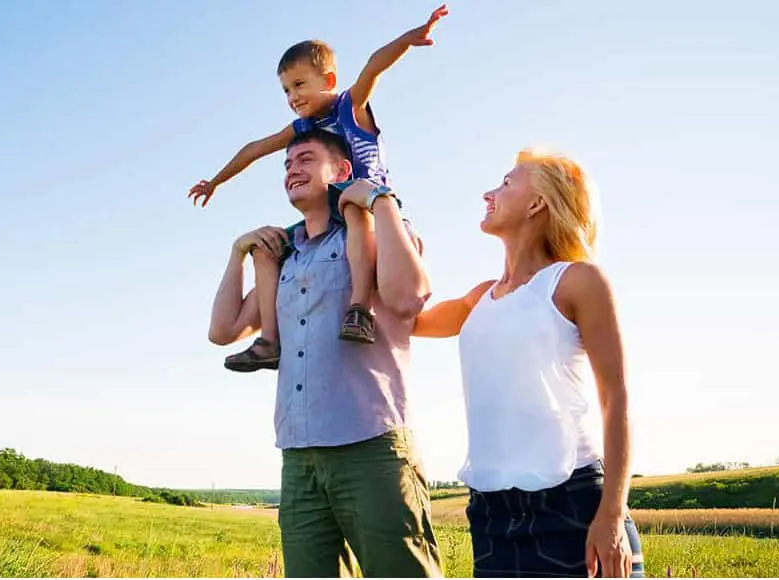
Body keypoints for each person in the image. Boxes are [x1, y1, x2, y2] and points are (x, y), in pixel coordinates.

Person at [208, 129, 441, 578]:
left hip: (370, 447)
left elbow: (410, 296)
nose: (292, 169)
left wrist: (380, 200)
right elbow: (223, 331)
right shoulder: (286, 258)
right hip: (299, 456)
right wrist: (237, 254)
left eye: (306, 159)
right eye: (287, 164)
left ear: (343, 172)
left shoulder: (374, 235)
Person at [412, 149, 644, 577]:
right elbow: (403, 321)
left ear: (537, 203)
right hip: (490, 511)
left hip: (570, 501)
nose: (489, 192)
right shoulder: (478, 297)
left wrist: (612, 513)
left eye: (504, 183)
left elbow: (617, 397)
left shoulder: (577, 281)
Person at [192, 5, 449, 373]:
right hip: (329, 214)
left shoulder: (349, 106)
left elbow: (373, 66)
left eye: (299, 85)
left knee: (351, 205)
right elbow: (255, 148)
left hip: (366, 202)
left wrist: (409, 38)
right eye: (285, 90)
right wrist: (216, 181)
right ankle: (270, 341)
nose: (292, 97)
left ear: (327, 81)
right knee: (269, 247)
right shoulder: (301, 128)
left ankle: (358, 307)